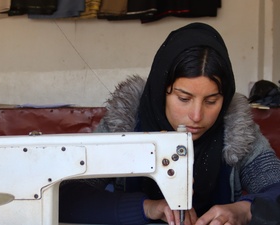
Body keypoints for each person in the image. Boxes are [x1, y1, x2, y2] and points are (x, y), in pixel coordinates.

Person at [59, 22, 280, 225]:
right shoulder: (123, 126)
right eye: (184, 99)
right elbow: (66, 196)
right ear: (160, 92)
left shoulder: (238, 133)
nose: (196, 115)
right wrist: (147, 207)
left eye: (211, 101)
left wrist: (245, 210)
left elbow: (276, 188)